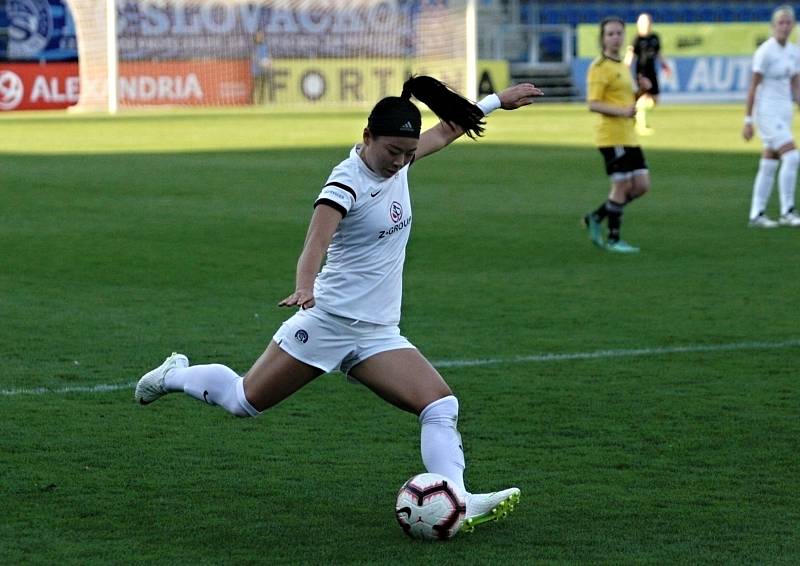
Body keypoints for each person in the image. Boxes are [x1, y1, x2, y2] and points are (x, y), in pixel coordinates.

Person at [134, 76, 543, 533]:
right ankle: (173, 374)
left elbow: (447, 130)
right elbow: (316, 240)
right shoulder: (345, 182)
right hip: (327, 322)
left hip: (377, 332)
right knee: (243, 400)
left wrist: (496, 102)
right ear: (367, 138)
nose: (401, 162)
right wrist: (305, 287)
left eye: (408, 153)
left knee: (441, 404)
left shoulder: (399, 162)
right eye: (393, 152)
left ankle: (457, 501)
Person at [583, 16, 651, 253]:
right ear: (602, 38)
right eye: (610, 33)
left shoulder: (622, 65)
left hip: (629, 135)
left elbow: (628, 102)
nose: (615, 37)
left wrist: (642, 89)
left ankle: (596, 216)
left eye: (619, 33)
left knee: (641, 185)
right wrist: (622, 111)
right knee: (621, 184)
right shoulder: (599, 68)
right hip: (611, 137)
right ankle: (613, 239)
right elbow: (593, 103)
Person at [742, 5, 800, 228]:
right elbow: (753, 87)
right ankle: (788, 211)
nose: (785, 27)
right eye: (781, 23)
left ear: (793, 25)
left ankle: (757, 214)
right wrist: (748, 120)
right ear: (773, 26)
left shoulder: (794, 52)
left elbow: (795, 86)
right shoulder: (765, 52)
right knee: (793, 157)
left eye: (788, 22)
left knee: (769, 163)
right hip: (767, 112)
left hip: (785, 112)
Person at [624, 13, 670, 136]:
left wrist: (665, 66)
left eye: (648, 23)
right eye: (643, 23)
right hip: (641, 73)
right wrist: (624, 69)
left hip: (652, 72)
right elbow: (630, 57)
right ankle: (641, 126)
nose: (646, 26)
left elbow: (659, 54)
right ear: (638, 25)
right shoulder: (636, 39)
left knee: (655, 100)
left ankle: (636, 117)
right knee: (643, 98)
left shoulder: (655, 38)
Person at [251, 31, 272, 105]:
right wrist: (261, 63)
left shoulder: (265, 46)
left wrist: (269, 62)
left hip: (264, 70)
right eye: (258, 36)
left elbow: (268, 55)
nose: (260, 37)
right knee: (255, 86)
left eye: (261, 36)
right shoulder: (253, 47)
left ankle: (261, 102)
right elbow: (254, 57)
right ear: (255, 38)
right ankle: (251, 102)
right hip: (256, 70)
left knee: (263, 87)